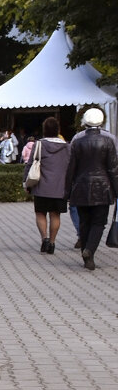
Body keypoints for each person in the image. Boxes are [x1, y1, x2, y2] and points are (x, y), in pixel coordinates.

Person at [66, 108, 118, 270]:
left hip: (81, 186)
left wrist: (67, 190)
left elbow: (71, 168)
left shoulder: (77, 141)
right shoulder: (108, 140)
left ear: (85, 122)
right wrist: (116, 191)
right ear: (101, 121)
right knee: (99, 222)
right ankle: (90, 250)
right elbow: (113, 169)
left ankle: (87, 257)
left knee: (84, 222)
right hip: (102, 187)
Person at [23, 116, 70, 254]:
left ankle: (44, 239)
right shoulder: (67, 146)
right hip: (60, 187)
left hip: (41, 187)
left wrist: (26, 182)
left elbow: (30, 164)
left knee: (40, 213)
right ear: (58, 130)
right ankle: (53, 242)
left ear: (44, 130)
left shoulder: (39, 144)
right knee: (55, 215)